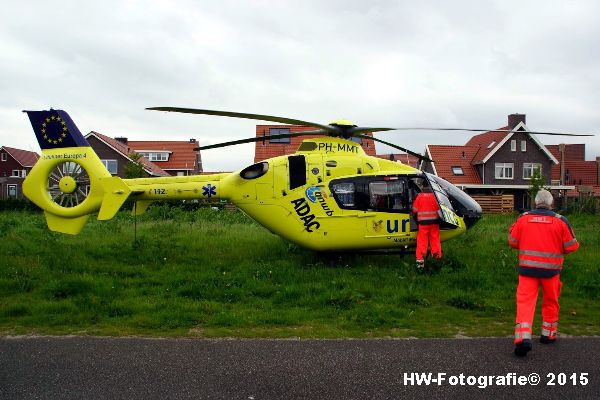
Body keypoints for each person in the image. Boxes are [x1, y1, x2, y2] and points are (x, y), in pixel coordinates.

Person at [508, 189, 579, 357]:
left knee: (525, 303)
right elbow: (572, 246)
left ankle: (523, 338)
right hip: (551, 271)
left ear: (536, 202)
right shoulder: (561, 221)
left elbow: (512, 241)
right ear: (551, 203)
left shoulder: (523, 219)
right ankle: (548, 334)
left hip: (527, 270)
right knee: (551, 301)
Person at [411, 180, 442, 270]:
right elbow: (440, 210)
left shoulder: (419, 197)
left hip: (423, 224)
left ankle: (420, 263)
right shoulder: (435, 197)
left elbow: (414, 210)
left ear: (422, 186)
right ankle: (436, 260)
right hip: (434, 223)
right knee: (435, 240)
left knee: (422, 242)